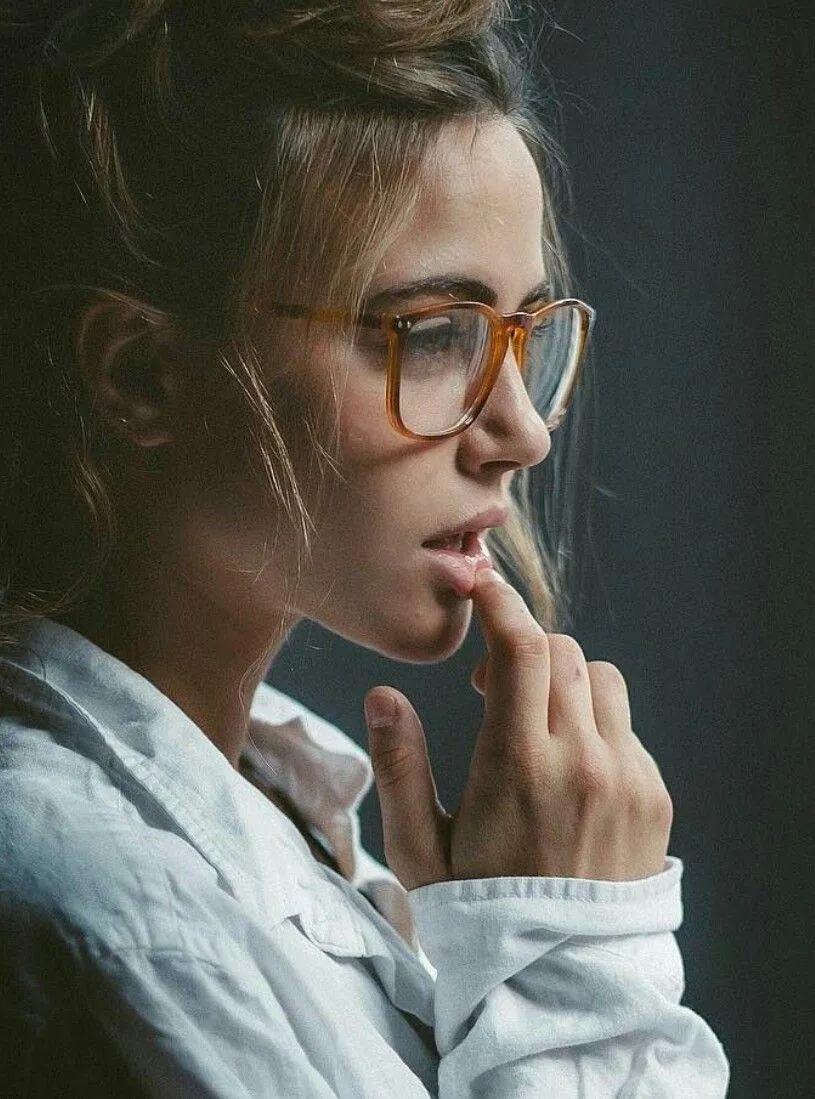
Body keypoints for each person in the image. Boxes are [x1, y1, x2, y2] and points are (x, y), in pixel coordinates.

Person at [0, 1, 730, 1095]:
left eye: (523, 334)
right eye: (433, 335)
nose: (522, 433)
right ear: (140, 374)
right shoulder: (117, 924)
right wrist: (572, 967)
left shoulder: (286, 788)